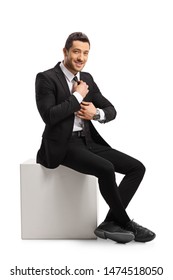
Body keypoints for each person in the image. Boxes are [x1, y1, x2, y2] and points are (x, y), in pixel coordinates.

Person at [35, 32, 156, 244]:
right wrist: (78, 96)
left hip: (89, 141)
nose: (81, 57)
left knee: (137, 168)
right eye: (76, 52)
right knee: (106, 168)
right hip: (63, 146)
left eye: (85, 53)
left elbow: (111, 109)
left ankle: (110, 222)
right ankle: (127, 223)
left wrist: (97, 114)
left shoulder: (87, 78)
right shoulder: (46, 78)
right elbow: (49, 116)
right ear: (65, 52)